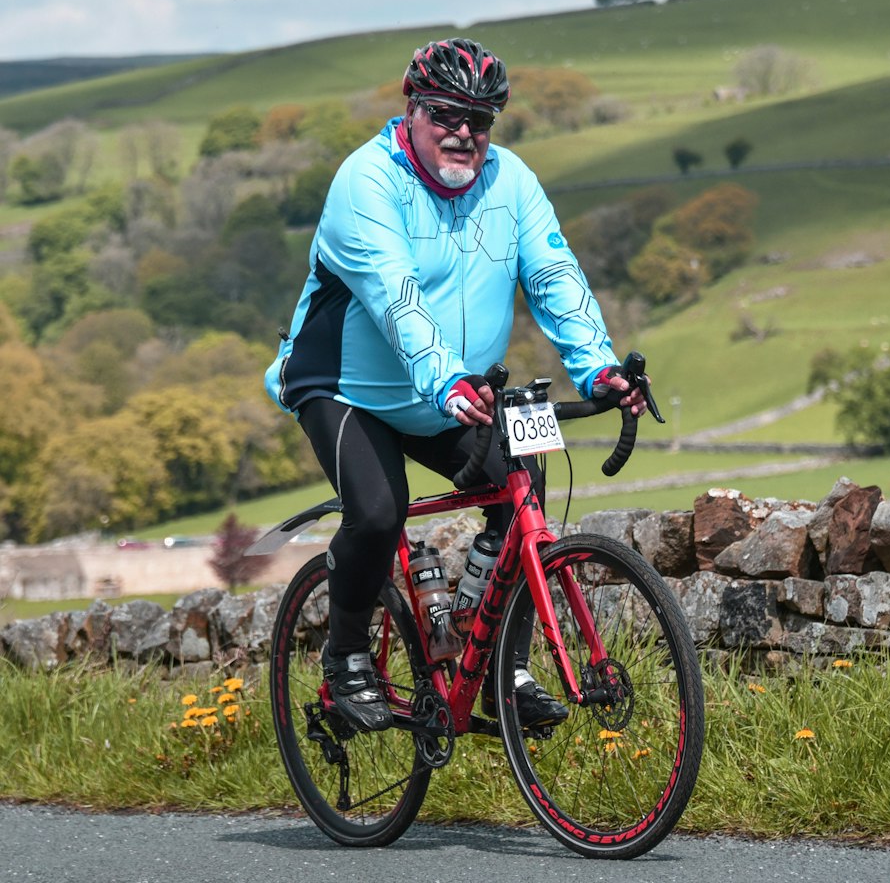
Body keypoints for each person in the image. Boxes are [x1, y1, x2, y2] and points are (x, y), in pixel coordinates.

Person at [265, 37, 647, 732]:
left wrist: (599, 366)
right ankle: (346, 658)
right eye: (446, 114)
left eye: (480, 119)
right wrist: (447, 382)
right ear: (412, 110)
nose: (464, 132)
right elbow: (395, 298)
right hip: (346, 388)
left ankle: (503, 661)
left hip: (451, 391)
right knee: (379, 513)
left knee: (523, 491)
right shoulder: (366, 182)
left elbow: (555, 277)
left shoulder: (513, 182)